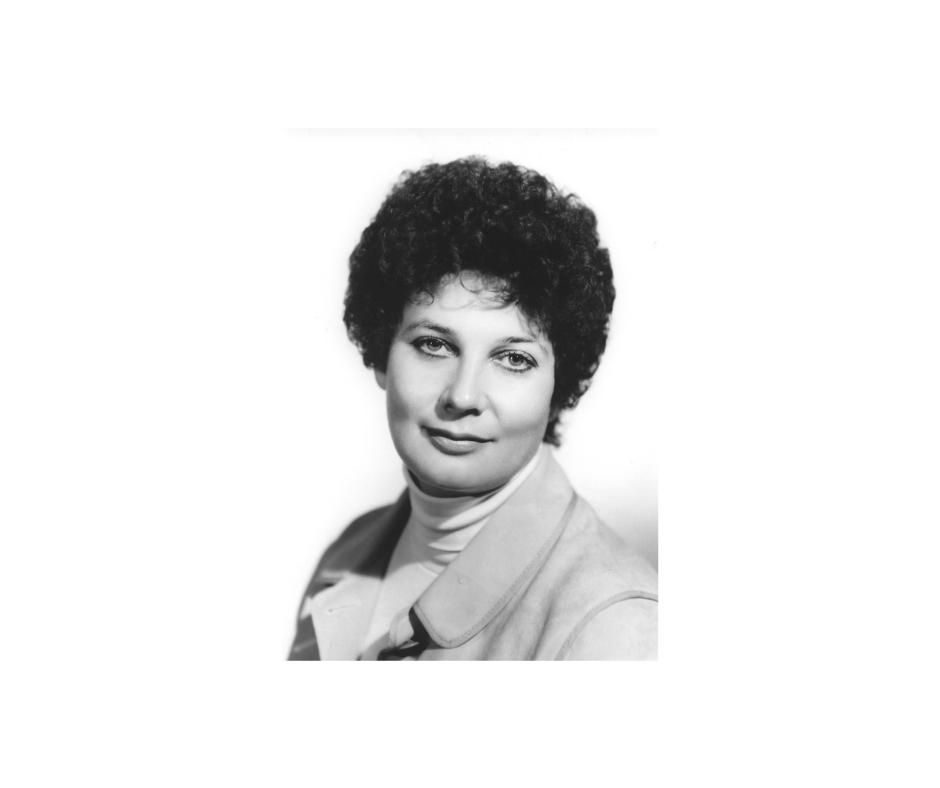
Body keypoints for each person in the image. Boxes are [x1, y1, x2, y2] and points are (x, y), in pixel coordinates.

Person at [288, 156, 657, 660]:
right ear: (381, 353)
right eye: (434, 345)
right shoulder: (347, 553)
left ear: (557, 389)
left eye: (513, 359)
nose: (462, 396)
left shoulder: (615, 624)